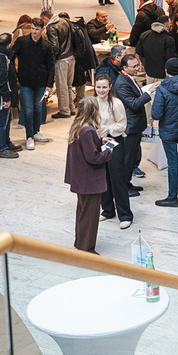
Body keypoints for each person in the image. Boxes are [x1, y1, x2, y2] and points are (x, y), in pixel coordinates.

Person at [65, 97, 113, 253]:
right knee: (90, 217)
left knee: (82, 213)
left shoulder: (78, 127)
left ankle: (80, 242)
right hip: (90, 181)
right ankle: (86, 248)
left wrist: (100, 141)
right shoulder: (88, 130)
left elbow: (86, 147)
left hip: (81, 179)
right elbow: (93, 157)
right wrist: (107, 151)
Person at [114, 54, 158, 206]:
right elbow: (133, 103)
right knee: (127, 158)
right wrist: (148, 92)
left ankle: (128, 183)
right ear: (125, 68)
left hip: (136, 125)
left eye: (137, 65)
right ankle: (123, 187)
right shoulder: (121, 83)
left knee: (132, 157)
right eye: (134, 66)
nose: (137, 68)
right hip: (130, 125)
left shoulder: (128, 78)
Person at [151, 58, 178, 207]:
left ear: (166, 70)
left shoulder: (162, 88)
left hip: (169, 131)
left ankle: (172, 197)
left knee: (172, 164)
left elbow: (156, 114)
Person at [94, 73, 132, 229]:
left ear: (110, 87)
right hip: (97, 141)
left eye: (104, 87)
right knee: (102, 177)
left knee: (117, 178)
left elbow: (121, 125)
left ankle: (125, 214)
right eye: (98, 87)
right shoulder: (92, 103)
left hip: (114, 141)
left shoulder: (116, 103)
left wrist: (104, 130)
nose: (101, 90)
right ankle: (107, 210)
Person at [11, 18, 54, 150]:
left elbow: (51, 66)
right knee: (28, 110)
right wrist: (15, 74)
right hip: (25, 82)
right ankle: (29, 136)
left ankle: (36, 131)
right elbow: (11, 56)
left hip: (41, 82)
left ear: (42, 30)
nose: (34, 32)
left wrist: (49, 84)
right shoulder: (22, 42)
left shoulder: (47, 46)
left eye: (37, 29)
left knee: (38, 108)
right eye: (33, 29)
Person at [41, 10, 75, 119]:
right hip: (71, 57)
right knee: (69, 85)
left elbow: (54, 46)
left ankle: (64, 110)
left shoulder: (51, 27)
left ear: (45, 18)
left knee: (62, 86)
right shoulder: (64, 21)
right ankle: (71, 108)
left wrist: (50, 60)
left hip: (61, 59)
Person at [136, 20, 176, 85]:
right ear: (165, 25)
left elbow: (139, 51)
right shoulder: (168, 38)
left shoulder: (144, 35)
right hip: (163, 74)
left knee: (150, 92)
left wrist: (145, 63)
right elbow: (170, 57)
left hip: (149, 73)